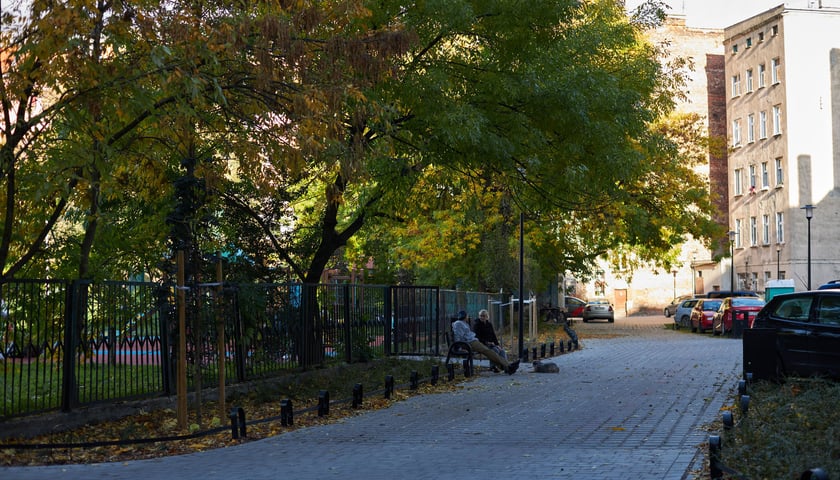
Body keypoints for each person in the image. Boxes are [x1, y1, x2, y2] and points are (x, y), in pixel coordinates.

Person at [452, 310, 519, 374]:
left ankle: (507, 367)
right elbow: (458, 337)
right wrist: (460, 348)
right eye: (467, 316)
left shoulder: (465, 323)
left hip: (473, 341)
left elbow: (493, 335)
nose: (467, 317)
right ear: (464, 316)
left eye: (484, 316)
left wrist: (497, 344)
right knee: (489, 351)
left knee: (497, 351)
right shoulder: (459, 324)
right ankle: (508, 366)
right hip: (470, 343)